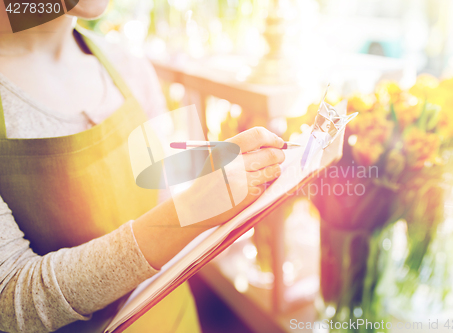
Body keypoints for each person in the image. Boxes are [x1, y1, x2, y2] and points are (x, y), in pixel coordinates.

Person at [0, 1, 285, 332]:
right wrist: (188, 213)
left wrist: (214, 169)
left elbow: (156, 181)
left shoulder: (129, 65)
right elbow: (10, 299)